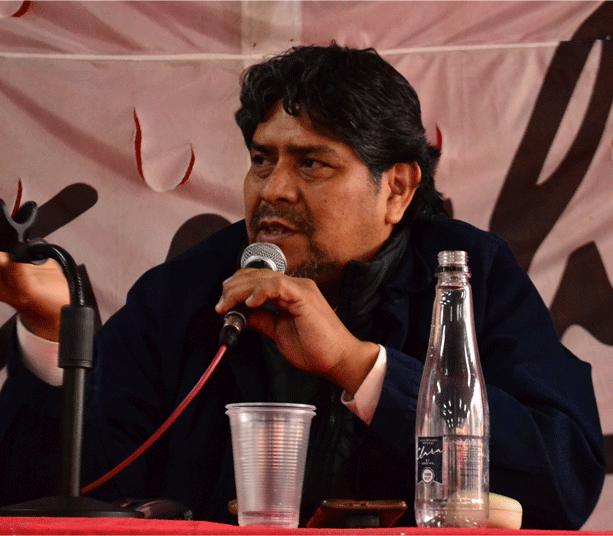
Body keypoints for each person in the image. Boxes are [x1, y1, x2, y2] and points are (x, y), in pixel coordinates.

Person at [0, 44, 605, 529]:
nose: (273, 190)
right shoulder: (188, 290)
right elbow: (59, 499)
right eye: (262, 160)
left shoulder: (468, 276)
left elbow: (564, 479)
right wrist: (52, 335)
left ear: (396, 188)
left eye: (312, 164)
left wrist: (359, 367)